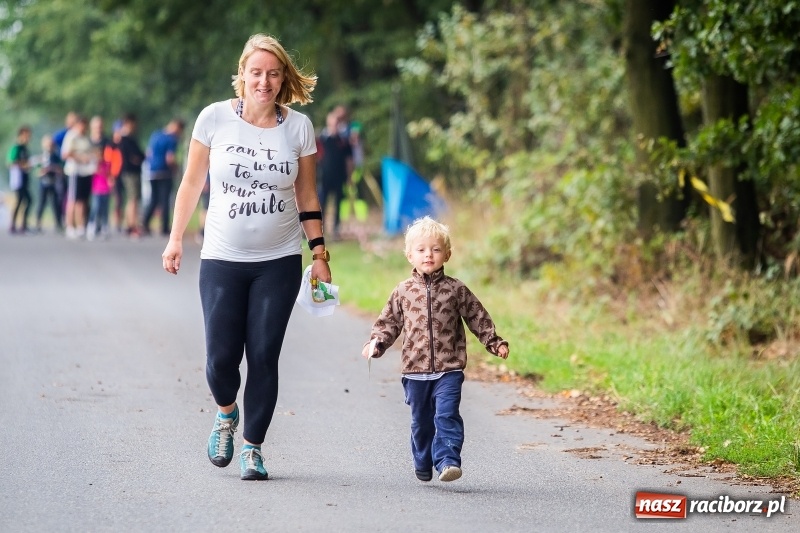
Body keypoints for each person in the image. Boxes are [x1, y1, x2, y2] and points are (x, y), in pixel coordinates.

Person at [161, 33, 329, 481]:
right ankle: (225, 413)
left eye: (273, 73)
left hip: (278, 261)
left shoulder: (298, 128)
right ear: (242, 74)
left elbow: (307, 194)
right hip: (221, 258)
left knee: (264, 355)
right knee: (220, 358)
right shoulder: (213, 119)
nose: (264, 81)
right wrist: (176, 238)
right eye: (256, 72)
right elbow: (192, 184)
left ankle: (253, 448)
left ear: (283, 78)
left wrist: (319, 253)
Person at [361, 216, 510, 483]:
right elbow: (389, 323)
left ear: (447, 254)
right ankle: (423, 459)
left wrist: (494, 342)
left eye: (436, 249)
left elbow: (477, 316)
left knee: (447, 414)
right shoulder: (403, 291)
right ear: (409, 255)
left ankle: (448, 461)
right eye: (421, 250)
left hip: (449, 368)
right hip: (415, 371)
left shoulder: (456, 289)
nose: (428, 254)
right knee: (421, 422)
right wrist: (377, 343)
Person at [143, 118, 185, 236]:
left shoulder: (155, 135)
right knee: (165, 199)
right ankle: (164, 227)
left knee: (154, 199)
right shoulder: (172, 139)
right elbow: (170, 158)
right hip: (164, 172)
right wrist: (176, 169)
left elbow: (149, 152)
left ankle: (145, 222)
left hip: (152, 171)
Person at [316, 107, 352, 239]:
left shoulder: (343, 141)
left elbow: (349, 160)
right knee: (321, 204)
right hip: (324, 177)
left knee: (338, 204)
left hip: (339, 177)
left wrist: (349, 177)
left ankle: (336, 230)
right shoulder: (321, 139)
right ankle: (320, 230)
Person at [61, 115, 97, 239]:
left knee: (82, 200)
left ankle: (81, 226)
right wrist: (81, 158)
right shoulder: (72, 136)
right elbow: (65, 154)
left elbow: (90, 151)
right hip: (74, 172)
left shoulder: (85, 138)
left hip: (85, 172)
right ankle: (70, 226)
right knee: (73, 200)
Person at [117, 113, 146, 237]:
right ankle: (131, 225)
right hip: (129, 172)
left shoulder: (130, 138)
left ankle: (131, 224)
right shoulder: (124, 139)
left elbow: (140, 155)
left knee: (133, 199)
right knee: (132, 199)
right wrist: (138, 158)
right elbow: (133, 157)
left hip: (134, 172)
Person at [34, 134, 64, 233]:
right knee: (42, 203)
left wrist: (55, 168)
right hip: (44, 183)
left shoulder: (56, 157)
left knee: (56, 204)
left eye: (51, 145)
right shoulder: (41, 157)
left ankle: (58, 223)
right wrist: (43, 171)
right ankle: (38, 223)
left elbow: (62, 169)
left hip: (54, 183)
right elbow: (36, 171)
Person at [7, 126, 32, 234]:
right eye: (27, 135)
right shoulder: (16, 147)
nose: (28, 138)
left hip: (25, 177)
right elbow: (10, 162)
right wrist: (23, 165)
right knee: (19, 200)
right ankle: (13, 224)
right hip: (17, 178)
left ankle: (23, 225)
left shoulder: (25, 148)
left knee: (28, 200)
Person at [86, 145, 114, 240]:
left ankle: (104, 227)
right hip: (97, 190)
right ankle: (92, 226)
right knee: (95, 208)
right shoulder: (94, 165)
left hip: (105, 189)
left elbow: (110, 175)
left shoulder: (107, 164)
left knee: (105, 210)